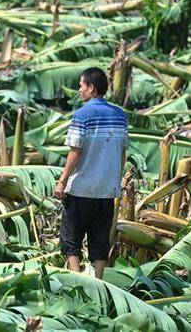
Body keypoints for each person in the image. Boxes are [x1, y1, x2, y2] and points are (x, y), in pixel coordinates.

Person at [55, 67, 128, 280]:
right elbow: (122, 152)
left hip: (81, 189)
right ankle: (98, 281)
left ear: (91, 88)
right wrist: (116, 179)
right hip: (107, 191)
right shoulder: (120, 115)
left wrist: (62, 181)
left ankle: (77, 278)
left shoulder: (82, 115)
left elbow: (75, 151)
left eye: (81, 85)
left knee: (71, 239)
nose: (79, 90)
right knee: (100, 239)